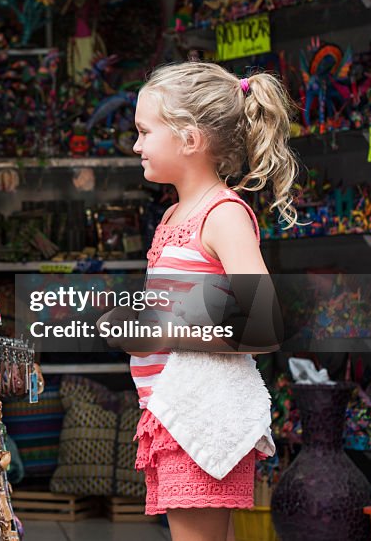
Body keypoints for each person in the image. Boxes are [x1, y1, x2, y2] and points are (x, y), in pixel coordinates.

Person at [118, 62, 298, 541]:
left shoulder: (223, 216)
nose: (136, 145)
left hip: (200, 414)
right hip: (172, 412)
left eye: (144, 131)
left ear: (190, 140)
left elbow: (263, 325)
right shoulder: (175, 214)